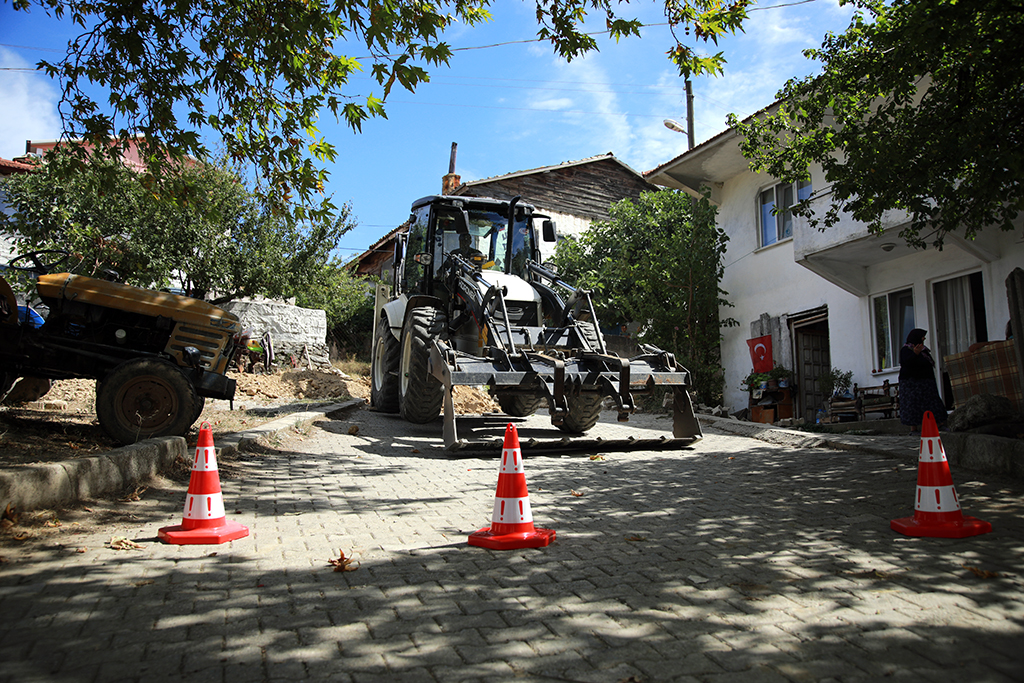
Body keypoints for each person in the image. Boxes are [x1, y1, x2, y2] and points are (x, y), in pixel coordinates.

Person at [898, 328, 947, 432]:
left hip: (926, 383)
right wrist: (915, 353)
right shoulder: (906, 350)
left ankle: (940, 424)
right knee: (912, 406)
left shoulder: (923, 351)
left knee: (932, 403)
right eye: (922, 336)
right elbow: (906, 363)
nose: (923, 338)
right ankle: (914, 429)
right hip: (911, 384)